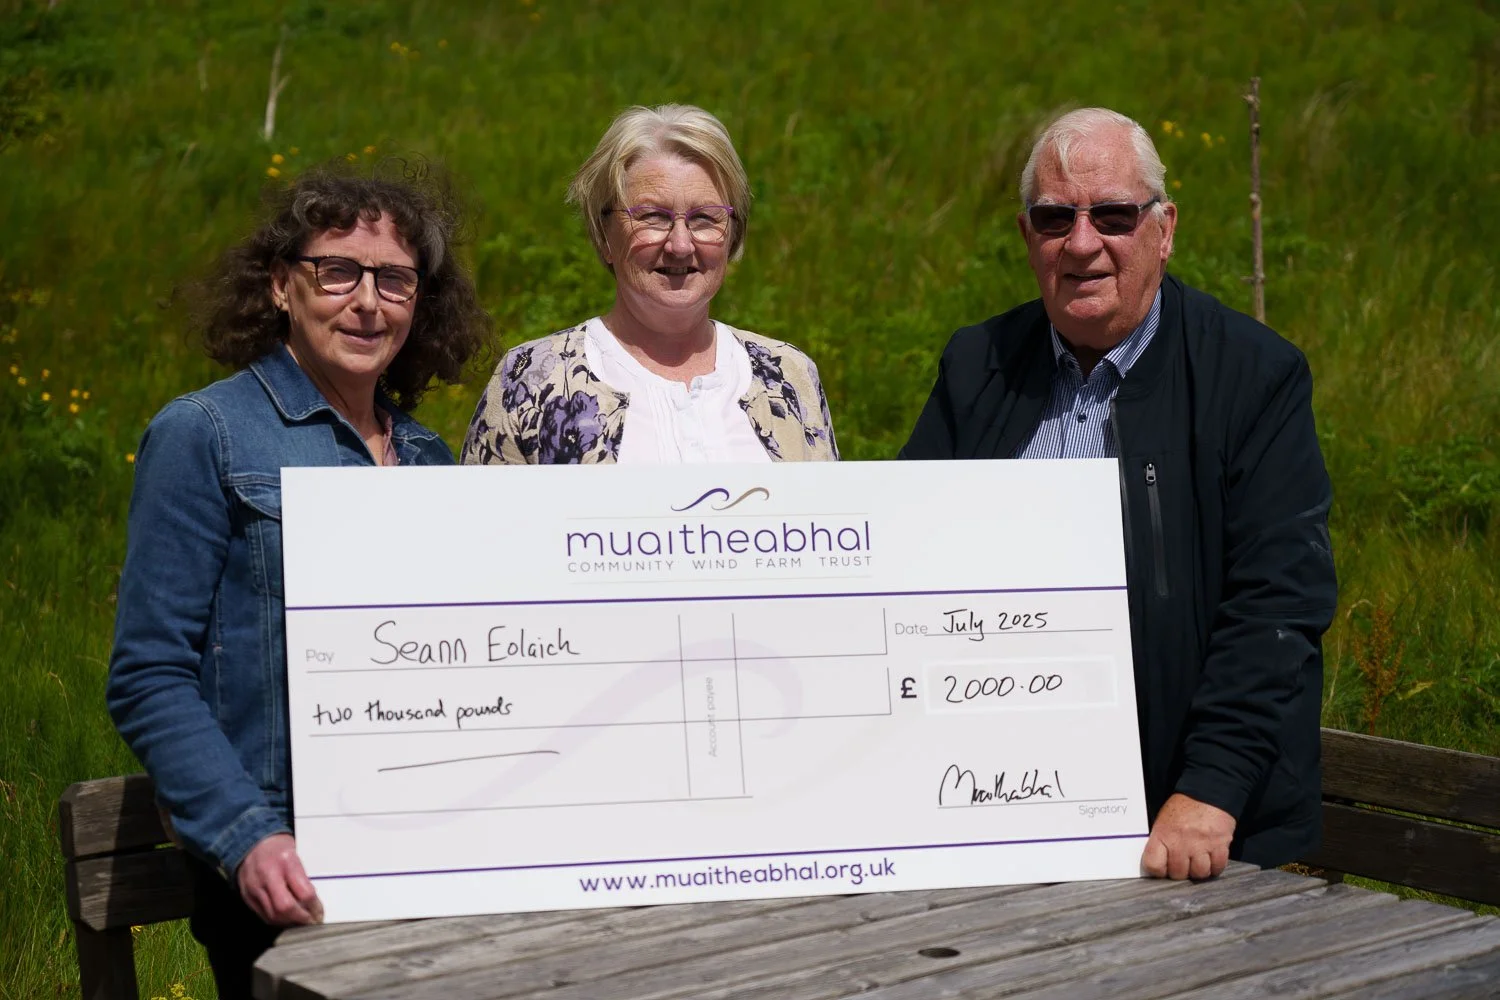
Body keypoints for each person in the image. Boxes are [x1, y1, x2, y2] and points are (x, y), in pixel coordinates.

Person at [900, 108, 1337, 879]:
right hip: (1001, 802)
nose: (1081, 243)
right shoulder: (977, 367)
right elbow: (907, 563)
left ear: (1163, 230)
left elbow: (1278, 602)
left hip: (1197, 829)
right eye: (1054, 218)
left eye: (1112, 215)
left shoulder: (1253, 377)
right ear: (1026, 235)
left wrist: (1211, 787)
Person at [106, 165, 490, 997]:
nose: (368, 302)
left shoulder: (429, 458)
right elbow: (148, 675)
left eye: (395, 279)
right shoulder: (203, 435)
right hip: (287, 871)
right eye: (337, 271)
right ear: (282, 285)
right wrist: (248, 837)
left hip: (427, 853)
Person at [461, 104, 837, 465]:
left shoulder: (789, 376)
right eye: (653, 217)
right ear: (604, 235)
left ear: (733, 234)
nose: (680, 245)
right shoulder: (532, 379)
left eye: (705, 218)